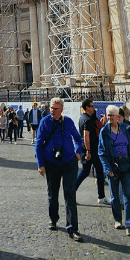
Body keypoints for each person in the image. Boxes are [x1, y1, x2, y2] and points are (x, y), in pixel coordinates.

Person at [35, 97, 85, 242]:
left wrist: (78, 152)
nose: (52, 111)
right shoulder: (45, 122)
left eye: (55, 108)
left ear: (61, 109)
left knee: (70, 194)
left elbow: (77, 138)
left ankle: (73, 229)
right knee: (53, 193)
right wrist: (40, 164)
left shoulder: (68, 121)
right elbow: (38, 143)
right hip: (51, 162)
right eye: (51, 108)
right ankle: (53, 219)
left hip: (69, 161)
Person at [98, 105, 130, 236]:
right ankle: (118, 220)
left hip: (127, 165)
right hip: (113, 168)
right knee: (115, 197)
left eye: (112, 115)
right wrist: (108, 168)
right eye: (108, 115)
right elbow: (101, 152)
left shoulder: (125, 128)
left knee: (129, 195)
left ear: (118, 116)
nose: (110, 118)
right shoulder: (104, 131)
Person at [75, 99, 108, 204]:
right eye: (92, 106)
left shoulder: (82, 118)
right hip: (91, 150)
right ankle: (70, 191)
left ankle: (101, 196)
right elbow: (86, 135)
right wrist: (88, 150)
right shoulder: (88, 120)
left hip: (90, 149)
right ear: (87, 107)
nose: (94, 108)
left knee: (96, 171)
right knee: (87, 171)